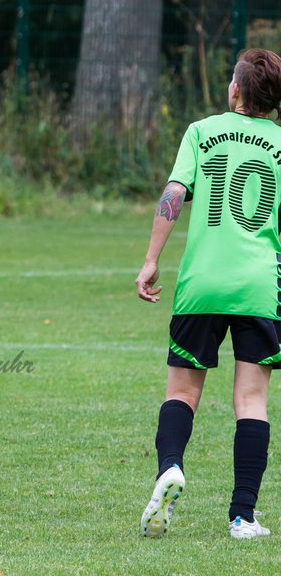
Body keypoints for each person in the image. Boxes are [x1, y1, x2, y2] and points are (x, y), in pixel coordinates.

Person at [135, 48, 281, 540]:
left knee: (181, 391)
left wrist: (153, 258)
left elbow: (174, 194)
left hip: (201, 284)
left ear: (234, 90)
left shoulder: (201, 131)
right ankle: (242, 516)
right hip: (260, 286)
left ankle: (170, 469)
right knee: (252, 400)